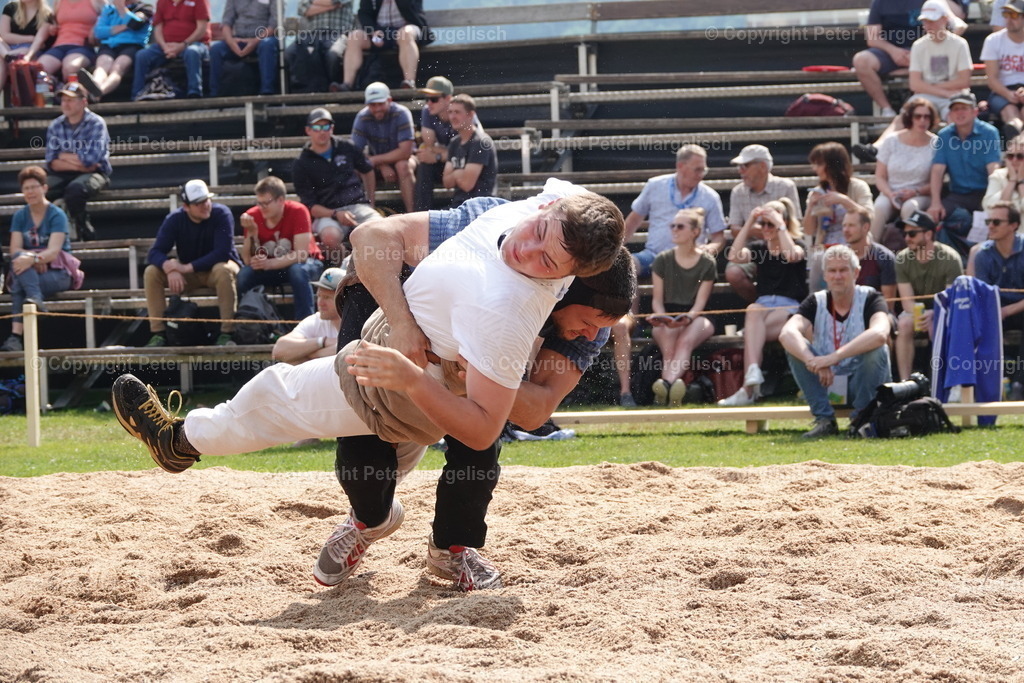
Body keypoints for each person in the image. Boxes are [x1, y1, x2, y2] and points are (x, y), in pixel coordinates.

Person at [112, 181, 625, 591]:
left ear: (571, 275)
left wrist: (465, 376)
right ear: (549, 208)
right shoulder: (525, 214)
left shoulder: (524, 314)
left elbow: (516, 417)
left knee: (282, 396)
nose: (528, 248)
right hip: (385, 316)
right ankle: (369, 517)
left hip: (424, 385)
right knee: (351, 454)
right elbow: (375, 238)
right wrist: (407, 331)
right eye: (539, 231)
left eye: (549, 261)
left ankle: (453, 549)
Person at [613, 144, 727, 406]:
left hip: (691, 257)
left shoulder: (709, 196)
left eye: (704, 169)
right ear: (681, 167)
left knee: (682, 336)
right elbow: (633, 220)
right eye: (698, 169)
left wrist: (711, 247)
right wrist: (616, 250)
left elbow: (719, 235)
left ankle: (665, 385)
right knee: (628, 265)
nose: (702, 173)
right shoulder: (655, 185)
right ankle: (633, 320)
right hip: (656, 254)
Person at [779, 244, 893, 438]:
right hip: (827, 380)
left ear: (856, 272)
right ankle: (825, 421)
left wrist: (832, 358)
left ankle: (861, 420)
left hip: (862, 383)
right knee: (794, 346)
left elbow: (880, 333)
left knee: (878, 349)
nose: (837, 276)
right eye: (832, 271)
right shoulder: (816, 300)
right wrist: (811, 360)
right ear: (825, 275)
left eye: (843, 270)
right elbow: (787, 333)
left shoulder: (871, 297)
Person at [853, 1, 971, 162]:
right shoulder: (919, 45)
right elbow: (915, 85)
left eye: (932, 20)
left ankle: (960, 158)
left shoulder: (959, 44)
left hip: (947, 95)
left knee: (956, 115)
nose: (927, 25)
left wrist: (929, 87)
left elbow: (964, 81)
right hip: (939, 93)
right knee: (906, 115)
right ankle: (877, 149)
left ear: (944, 19)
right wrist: (943, 91)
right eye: (924, 20)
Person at [719, 197, 807, 406]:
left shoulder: (798, 245)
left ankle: (748, 391)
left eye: (771, 224)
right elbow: (734, 255)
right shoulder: (759, 247)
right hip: (763, 308)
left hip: (789, 307)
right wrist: (750, 221)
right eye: (764, 223)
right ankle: (752, 378)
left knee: (752, 331)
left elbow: (791, 255)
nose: (766, 228)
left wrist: (781, 225)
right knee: (753, 309)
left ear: (782, 223)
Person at [142, 179, 241, 347]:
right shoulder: (175, 219)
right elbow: (154, 252)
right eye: (198, 203)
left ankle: (227, 332)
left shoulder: (222, 213)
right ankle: (159, 333)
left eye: (206, 200)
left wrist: (184, 267)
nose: (205, 205)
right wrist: (168, 267)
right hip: (190, 275)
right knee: (152, 272)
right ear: (186, 206)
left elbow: (222, 252)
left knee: (223, 269)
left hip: (216, 271)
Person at [0, 166, 78, 353]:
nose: (30, 192)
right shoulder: (20, 215)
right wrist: (31, 261)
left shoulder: (56, 214)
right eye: (26, 188)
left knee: (19, 283)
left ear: (44, 188)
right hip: (31, 271)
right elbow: (15, 249)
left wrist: (33, 258)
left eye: (34, 187)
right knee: (19, 261)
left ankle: (16, 337)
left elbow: (53, 251)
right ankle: (35, 300)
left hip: (58, 272)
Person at [291, 107, 378, 266]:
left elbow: (368, 169)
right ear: (308, 130)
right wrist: (335, 214)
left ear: (332, 128)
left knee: (380, 227)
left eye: (326, 127)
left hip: (358, 206)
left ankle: (373, 271)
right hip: (327, 212)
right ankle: (348, 271)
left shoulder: (346, 146)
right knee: (330, 238)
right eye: (317, 127)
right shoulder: (301, 163)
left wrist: (371, 201)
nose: (322, 131)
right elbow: (310, 206)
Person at [851, 0, 966, 117]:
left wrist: (923, 53)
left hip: (925, 52)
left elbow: (958, 24)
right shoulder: (879, 2)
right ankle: (887, 110)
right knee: (861, 61)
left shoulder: (932, 4)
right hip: (889, 53)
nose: (927, 24)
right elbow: (872, 38)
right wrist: (894, 51)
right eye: (925, 21)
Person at [649, 208, 716, 407]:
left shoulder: (707, 262)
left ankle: (665, 386)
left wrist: (688, 317)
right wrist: (661, 316)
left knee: (685, 340)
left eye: (680, 226)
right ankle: (670, 393)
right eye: (673, 225)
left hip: (698, 316)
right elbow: (657, 300)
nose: (674, 230)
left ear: (695, 232)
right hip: (668, 314)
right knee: (669, 343)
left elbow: (700, 303)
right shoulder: (662, 259)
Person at [927, 91, 1002, 259]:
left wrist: (993, 201)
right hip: (957, 194)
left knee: (996, 220)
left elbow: (993, 170)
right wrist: (935, 202)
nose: (959, 113)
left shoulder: (990, 133)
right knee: (929, 220)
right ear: (950, 114)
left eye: (964, 108)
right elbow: (937, 170)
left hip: (984, 191)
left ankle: (991, 261)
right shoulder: (944, 135)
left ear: (975, 111)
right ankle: (941, 263)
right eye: (955, 109)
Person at [237, 176, 324, 321]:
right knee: (244, 275)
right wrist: (252, 233)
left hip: (306, 263)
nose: (262, 207)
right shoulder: (252, 216)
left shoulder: (298, 211)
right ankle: (249, 324)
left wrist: (269, 263)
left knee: (298, 270)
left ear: (281, 200)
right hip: (272, 268)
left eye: (266, 203)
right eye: (259, 203)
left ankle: (304, 323)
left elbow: (301, 255)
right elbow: (247, 260)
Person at [725, 144, 801, 303]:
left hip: (784, 250)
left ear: (762, 166)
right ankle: (759, 303)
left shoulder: (786, 186)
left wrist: (758, 229)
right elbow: (734, 230)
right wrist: (772, 229)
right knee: (733, 272)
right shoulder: (738, 191)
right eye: (740, 166)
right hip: (755, 252)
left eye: (745, 166)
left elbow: (794, 226)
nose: (740, 170)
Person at [893, 209, 964, 379]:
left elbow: (951, 299)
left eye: (912, 234)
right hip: (916, 312)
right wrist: (924, 315)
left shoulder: (950, 257)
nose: (907, 238)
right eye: (905, 234)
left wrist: (934, 314)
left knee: (938, 325)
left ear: (928, 234)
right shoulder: (902, 259)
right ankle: (905, 383)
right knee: (903, 325)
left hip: (946, 311)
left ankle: (946, 381)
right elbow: (907, 302)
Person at [967, 201, 1024, 399]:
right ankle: (975, 385)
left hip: (1019, 309)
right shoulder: (982, 254)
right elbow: (982, 294)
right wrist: (994, 312)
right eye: (988, 221)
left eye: (997, 222)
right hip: (993, 310)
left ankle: (1019, 384)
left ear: (1014, 225)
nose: (990, 226)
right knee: (971, 321)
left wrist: (1007, 311)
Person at [44, 81, 111, 242]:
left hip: (96, 173)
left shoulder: (96, 123)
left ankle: (83, 228)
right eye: (63, 100)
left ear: (83, 101)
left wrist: (64, 156)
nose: (65, 104)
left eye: (70, 100)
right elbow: (51, 161)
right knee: (41, 189)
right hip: (63, 173)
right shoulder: (55, 125)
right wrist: (78, 161)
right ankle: (47, 235)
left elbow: (92, 160)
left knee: (75, 190)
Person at [803, 142, 874, 290]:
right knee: (818, 257)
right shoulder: (816, 192)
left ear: (832, 164)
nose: (815, 168)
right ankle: (815, 303)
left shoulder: (857, 186)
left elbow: (869, 216)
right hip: (827, 244)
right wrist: (810, 207)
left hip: (855, 241)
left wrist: (843, 200)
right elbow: (809, 231)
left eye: (819, 164)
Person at [870, 98, 939, 242]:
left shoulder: (936, 144)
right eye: (917, 116)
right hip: (891, 192)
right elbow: (880, 176)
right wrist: (890, 194)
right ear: (910, 117)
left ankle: (912, 253)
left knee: (910, 207)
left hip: (921, 194)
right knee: (878, 209)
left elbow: (937, 180)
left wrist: (916, 192)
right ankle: (869, 255)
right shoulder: (891, 140)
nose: (922, 120)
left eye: (926, 117)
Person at [336, 0, 433, 92]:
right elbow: (364, 13)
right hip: (380, 31)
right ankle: (347, 84)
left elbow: (409, 7)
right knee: (354, 37)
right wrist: (373, 31)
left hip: (406, 28)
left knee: (405, 34)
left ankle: (409, 82)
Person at [351, 82, 416, 213]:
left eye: (380, 104)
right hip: (379, 161)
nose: (377, 108)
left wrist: (375, 161)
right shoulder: (362, 117)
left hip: (406, 158)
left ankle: (412, 212)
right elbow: (355, 153)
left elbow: (405, 152)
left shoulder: (402, 113)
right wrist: (381, 165)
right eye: (372, 105)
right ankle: (369, 213)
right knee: (360, 167)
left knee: (402, 165)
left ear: (389, 100)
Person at [132, 0, 210, 100]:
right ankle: (137, 94)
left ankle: (194, 93)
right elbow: (158, 28)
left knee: (192, 52)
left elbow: (201, 29)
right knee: (142, 55)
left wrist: (183, 45)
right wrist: (164, 46)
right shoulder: (162, 2)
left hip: (193, 43)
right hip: (166, 46)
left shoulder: (200, 1)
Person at [76, 0, 153, 100]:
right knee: (102, 67)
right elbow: (99, 32)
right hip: (109, 45)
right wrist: (124, 27)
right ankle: (94, 87)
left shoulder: (144, 8)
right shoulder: (109, 9)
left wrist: (122, 9)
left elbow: (135, 24)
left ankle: (99, 92)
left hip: (132, 45)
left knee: (117, 68)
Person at [271, 266, 343, 365]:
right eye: (319, 296)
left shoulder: (357, 321)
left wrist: (309, 355)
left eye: (327, 297)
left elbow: (350, 352)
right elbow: (279, 351)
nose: (320, 303)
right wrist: (322, 342)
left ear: (343, 298)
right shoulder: (316, 321)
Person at [208, 0, 278, 98]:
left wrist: (255, 41)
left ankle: (267, 91)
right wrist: (231, 41)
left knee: (267, 46)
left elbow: (274, 24)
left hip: (263, 38)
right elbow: (226, 22)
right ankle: (214, 94)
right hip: (239, 39)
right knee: (216, 49)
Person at [442, 93, 496, 208]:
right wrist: (459, 173)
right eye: (450, 112)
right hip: (458, 205)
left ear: (471, 115)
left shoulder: (481, 141)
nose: (452, 117)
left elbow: (467, 185)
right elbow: (446, 183)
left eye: (457, 112)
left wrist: (455, 173)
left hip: (480, 207)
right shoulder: (454, 143)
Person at [288, 0, 352, 93]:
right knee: (290, 53)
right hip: (311, 35)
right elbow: (303, 9)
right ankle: (302, 92)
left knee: (333, 55)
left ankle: (332, 89)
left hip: (337, 33)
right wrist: (332, 6)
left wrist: (314, 3)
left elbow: (336, 1)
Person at [983, 0, 1024, 138]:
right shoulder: (993, 40)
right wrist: (1007, 94)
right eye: (1006, 14)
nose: (1008, 19)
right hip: (1002, 90)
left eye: (1014, 15)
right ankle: (1016, 134)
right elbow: (992, 78)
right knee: (1009, 112)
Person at [414, 75, 455, 210]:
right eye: (426, 99)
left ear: (448, 98)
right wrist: (441, 153)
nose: (428, 103)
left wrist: (439, 155)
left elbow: (467, 152)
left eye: (434, 99)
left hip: (464, 164)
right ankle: (421, 213)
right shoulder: (428, 111)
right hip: (447, 161)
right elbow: (429, 145)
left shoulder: (461, 110)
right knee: (425, 163)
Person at [843, 207, 898, 308]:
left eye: (851, 225)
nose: (846, 230)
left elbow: (888, 304)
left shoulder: (884, 258)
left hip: (876, 314)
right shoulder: (840, 258)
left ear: (865, 227)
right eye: (844, 225)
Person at [37, 0, 102, 82]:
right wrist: (53, 28)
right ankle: (55, 86)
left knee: (71, 67)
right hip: (60, 45)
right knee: (40, 68)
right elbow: (55, 23)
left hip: (82, 46)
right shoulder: (59, 2)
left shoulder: (96, 1)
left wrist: (96, 27)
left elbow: (108, 16)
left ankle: (69, 92)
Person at [0, 0, 55, 94]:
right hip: (7, 49)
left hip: (30, 50)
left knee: (22, 52)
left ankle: (8, 57)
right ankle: (8, 57)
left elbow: (39, 41)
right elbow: (4, 35)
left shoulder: (46, 14)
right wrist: (31, 38)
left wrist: (30, 43)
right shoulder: (11, 8)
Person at [983, 134, 1024, 214]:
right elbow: (989, 208)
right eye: (1010, 156)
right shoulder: (998, 175)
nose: (1014, 160)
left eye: (1020, 156)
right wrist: (1012, 180)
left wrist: (1021, 181)